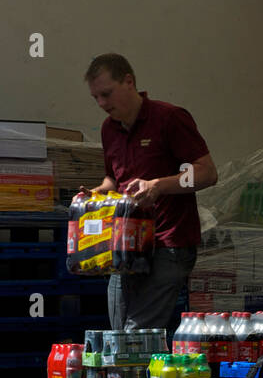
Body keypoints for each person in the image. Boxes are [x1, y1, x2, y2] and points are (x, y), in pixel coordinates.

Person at [82, 53, 217, 333]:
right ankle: (139, 375)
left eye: (106, 94)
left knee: (134, 333)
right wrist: (95, 194)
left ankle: (142, 374)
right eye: (96, 97)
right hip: (127, 244)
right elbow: (113, 179)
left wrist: (158, 186)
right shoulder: (110, 129)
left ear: (129, 81)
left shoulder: (169, 119)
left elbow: (206, 172)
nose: (102, 104)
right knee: (119, 333)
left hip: (169, 243)